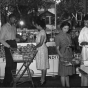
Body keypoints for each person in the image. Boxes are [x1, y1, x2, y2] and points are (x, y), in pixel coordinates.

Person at [55, 21, 75, 87]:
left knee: (67, 73)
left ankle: (68, 86)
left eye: (67, 28)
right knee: (63, 74)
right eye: (65, 28)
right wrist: (61, 56)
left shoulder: (69, 35)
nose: (66, 30)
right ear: (61, 28)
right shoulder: (58, 36)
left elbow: (72, 45)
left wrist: (71, 46)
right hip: (63, 54)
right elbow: (57, 48)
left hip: (69, 55)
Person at [0, 14, 17, 87]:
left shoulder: (14, 27)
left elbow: (14, 37)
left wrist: (18, 39)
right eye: (13, 19)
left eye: (15, 19)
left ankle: (13, 81)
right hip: (8, 46)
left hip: (14, 45)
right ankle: (6, 82)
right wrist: (9, 46)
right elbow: (1, 39)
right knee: (9, 65)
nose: (15, 20)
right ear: (10, 18)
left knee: (14, 64)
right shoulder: (4, 27)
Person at [34, 17, 49, 85]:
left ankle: (43, 80)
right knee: (42, 65)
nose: (36, 26)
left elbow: (41, 42)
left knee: (43, 65)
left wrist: (34, 47)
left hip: (42, 49)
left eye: (36, 25)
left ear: (39, 25)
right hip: (40, 50)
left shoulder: (42, 32)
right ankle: (42, 79)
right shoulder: (40, 31)